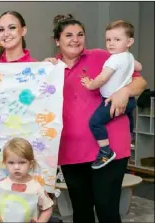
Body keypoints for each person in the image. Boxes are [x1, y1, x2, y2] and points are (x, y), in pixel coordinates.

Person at [45, 14, 147, 223]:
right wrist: (45, 68)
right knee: (81, 212)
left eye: (80, 34)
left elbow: (141, 83)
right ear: (57, 41)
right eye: (68, 35)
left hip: (110, 149)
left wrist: (125, 91)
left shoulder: (103, 56)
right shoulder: (51, 70)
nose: (75, 39)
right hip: (71, 150)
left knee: (106, 209)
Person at [0, 10, 36, 210]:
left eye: (12, 27)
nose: (6, 33)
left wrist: (52, 69)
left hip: (23, 148)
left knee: (25, 208)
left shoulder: (36, 68)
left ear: (23, 30)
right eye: (1, 29)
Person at [80, 20, 143, 169]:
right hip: (129, 100)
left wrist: (90, 85)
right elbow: (139, 66)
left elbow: (102, 78)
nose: (111, 43)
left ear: (129, 41)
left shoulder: (114, 59)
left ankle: (105, 151)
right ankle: (130, 137)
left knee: (95, 122)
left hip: (112, 101)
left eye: (117, 39)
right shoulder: (128, 56)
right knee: (128, 120)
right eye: (108, 40)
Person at [0, 138, 53, 223]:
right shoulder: (0, 184)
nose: (16, 167)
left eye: (22, 162)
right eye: (11, 163)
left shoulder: (36, 187)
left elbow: (47, 208)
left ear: (31, 164)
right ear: (5, 163)